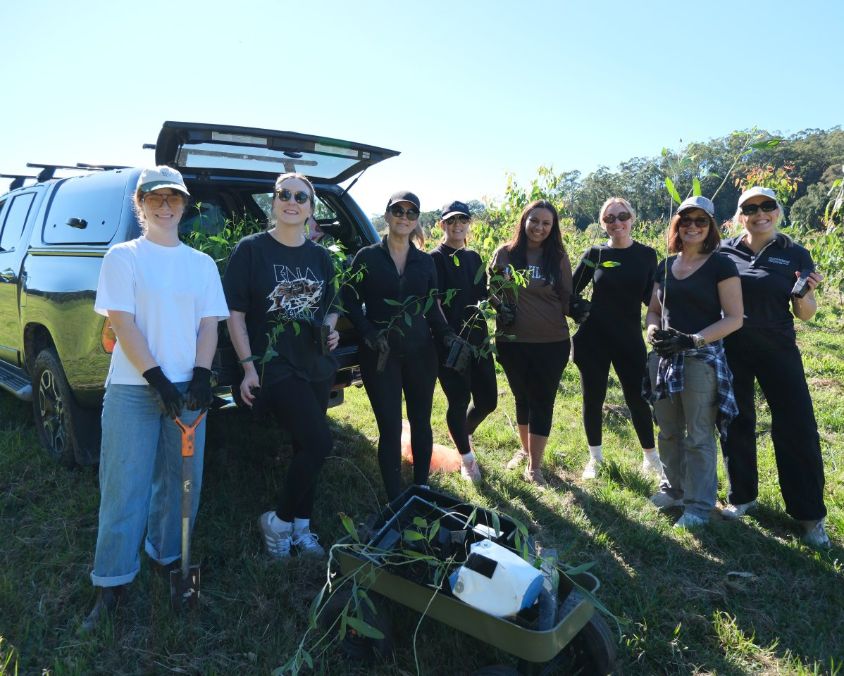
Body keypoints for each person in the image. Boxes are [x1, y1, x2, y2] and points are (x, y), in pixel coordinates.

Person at [82, 167, 229, 631]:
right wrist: (157, 380)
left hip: (187, 390)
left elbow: (209, 325)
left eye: (174, 199)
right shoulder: (123, 257)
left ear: (185, 206)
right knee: (124, 487)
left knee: (183, 482)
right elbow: (123, 324)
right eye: (155, 198)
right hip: (133, 389)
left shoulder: (201, 264)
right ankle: (112, 584)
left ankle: (168, 558)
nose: (165, 206)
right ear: (140, 204)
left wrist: (201, 375)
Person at [224, 172, 340, 560]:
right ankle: (277, 521)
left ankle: (301, 528)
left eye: (301, 197)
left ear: (311, 209)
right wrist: (248, 367)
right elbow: (235, 314)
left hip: (316, 364)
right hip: (275, 366)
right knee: (321, 442)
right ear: (273, 202)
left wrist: (330, 331)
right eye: (284, 195)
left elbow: (331, 308)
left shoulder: (321, 257)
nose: (292, 201)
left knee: (305, 445)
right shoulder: (251, 250)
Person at [718, 186, 830, 548]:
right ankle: (742, 497)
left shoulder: (795, 252)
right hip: (731, 348)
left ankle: (810, 515)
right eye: (750, 208)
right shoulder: (724, 251)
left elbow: (806, 313)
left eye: (767, 206)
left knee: (796, 425)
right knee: (736, 421)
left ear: (778, 212)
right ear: (739, 215)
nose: (759, 213)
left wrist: (805, 295)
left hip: (778, 348)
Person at [344, 191, 456, 501]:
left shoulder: (425, 261)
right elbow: (349, 299)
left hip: (421, 352)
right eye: (398, 210)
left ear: (417, 219)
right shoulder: (367, 257)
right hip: (380, 355)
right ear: (387, 214)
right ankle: (394, 497)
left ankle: (420, 486)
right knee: (390, 426)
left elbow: (431, 304)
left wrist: (446, 333)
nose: (404, 217)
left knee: (421, 420)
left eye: (411, 213)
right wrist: (367, 331)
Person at [644, 196, 743, 529]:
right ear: (677, 224)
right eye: (686, 220)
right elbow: (655, 310)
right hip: (665, 357)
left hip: (700, 358)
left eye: (701, 221)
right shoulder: (665, 265)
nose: (693, 226)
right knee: (668, 430)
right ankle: (673, 489)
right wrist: (653, 331)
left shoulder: (720, 265)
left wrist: (694, 339)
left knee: (698, 434)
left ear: (711, 226)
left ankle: (699, 506)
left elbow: (734, 318)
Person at [571, 197, 660, 480]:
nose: (617, 222)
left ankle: (651, 458)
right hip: (593, 338)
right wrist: (577, 310)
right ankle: (594, 459)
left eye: (622, 216)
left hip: (629, 337)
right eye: (610, 219)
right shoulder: (594, 254)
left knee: (637, 398)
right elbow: (570, 291)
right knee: (593, 398)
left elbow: (650, 298)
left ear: (632, 219)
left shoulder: (647, 255)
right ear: (602, 224)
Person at [493, 199, 573, 487]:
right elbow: (492, 293)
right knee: (521, 398)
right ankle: (525, 451)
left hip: (551, 341)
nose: (539, 227)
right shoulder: (505, 254)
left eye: (546, 223)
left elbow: (566, 300)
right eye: (534, 220)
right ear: (524, 221)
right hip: (511, 341)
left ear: (553, 228)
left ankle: (535, 467)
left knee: (543, 400)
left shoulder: (558, 258)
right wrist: (497, 307)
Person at [430, 200, 497, 484]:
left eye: (463, 220)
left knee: (489, 400)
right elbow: (432, 299)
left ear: (469, 223)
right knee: (459, 399)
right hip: (450, 342)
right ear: (441, 224)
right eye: (451, 220)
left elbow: (482, 294)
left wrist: (500, 301)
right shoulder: (434, 259)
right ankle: (467, 460)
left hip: (479, 339)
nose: (457, 225)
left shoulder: (474, 258)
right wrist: (446, 333)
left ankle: (462, 434)